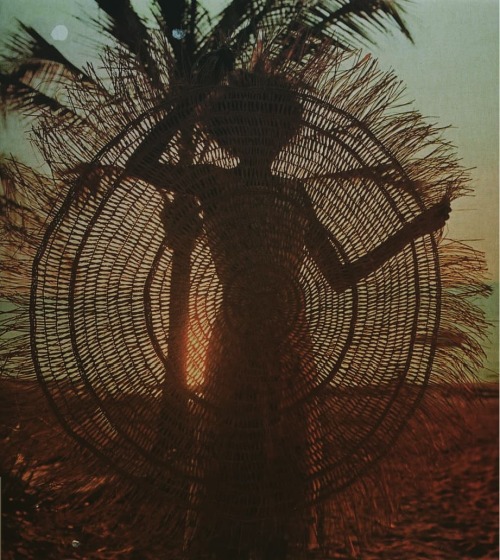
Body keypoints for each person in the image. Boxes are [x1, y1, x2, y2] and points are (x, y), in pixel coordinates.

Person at [81, 62, 450, 558]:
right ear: (233, 134)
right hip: (235, 338)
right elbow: (140, 164)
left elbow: (341, 278)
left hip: (290, 344)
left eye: (273, 129)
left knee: (286, 465)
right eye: (252, 128)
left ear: (283, 133)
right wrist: (187, 107)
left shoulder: (295, 195)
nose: (264, 139)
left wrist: (415, 228)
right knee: (233, 454)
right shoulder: (211, 182)